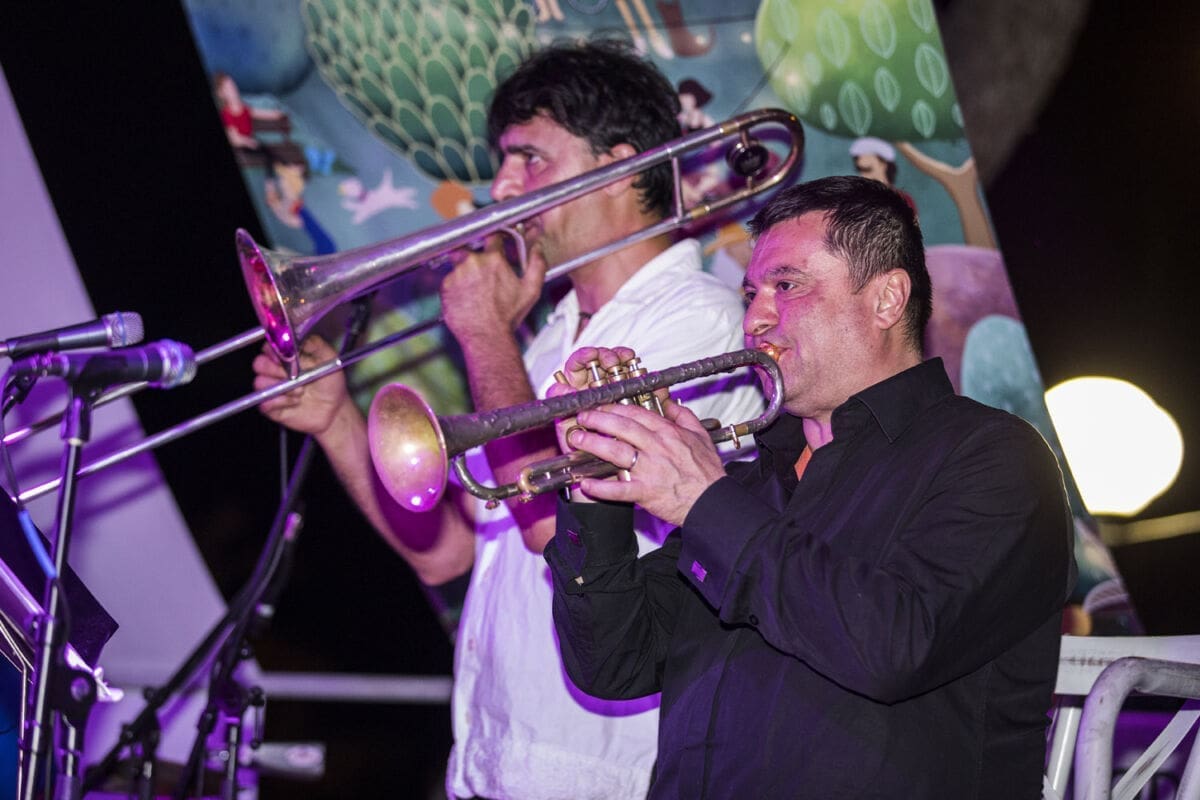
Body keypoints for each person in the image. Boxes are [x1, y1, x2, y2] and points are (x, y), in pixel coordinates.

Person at [252, 40, 763, 800]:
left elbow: (551, 525)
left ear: (621, 168)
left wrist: (484, 331)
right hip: (494, 762)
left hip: (602, 775)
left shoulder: (702, 321)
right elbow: (448, 553)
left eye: (530, 158)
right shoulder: (549, 339)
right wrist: (334, 419)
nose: (500, 187)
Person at [544, 175, 1076, 798]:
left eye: (787, 286)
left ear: (887, 300)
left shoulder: (995, 457)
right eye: (750, 294)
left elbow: (895, 646)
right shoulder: (749, 485)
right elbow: (615, 663)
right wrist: (598, 484)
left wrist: (703, 502)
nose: (754, 320)